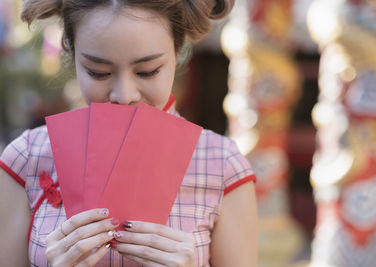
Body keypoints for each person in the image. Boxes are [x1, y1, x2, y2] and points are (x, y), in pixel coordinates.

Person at [0, 0, 258, 266]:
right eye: (98, 73)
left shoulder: (222, 166)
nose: (124, 96)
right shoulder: (26, 158)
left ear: (178, 49)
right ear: (72, 51)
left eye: (147, 72)